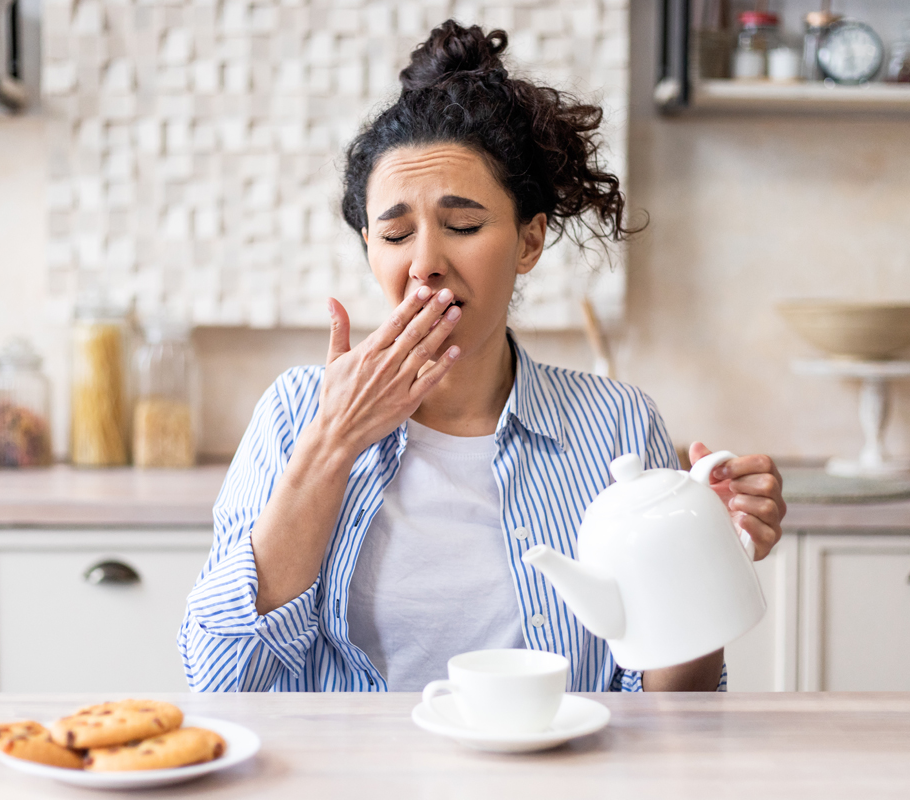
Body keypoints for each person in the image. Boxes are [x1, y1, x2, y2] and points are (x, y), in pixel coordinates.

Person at [179, 20, 786, 694]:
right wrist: (333, 441)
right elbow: (223, 680)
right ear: (369, 248)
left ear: (530, 241)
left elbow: (673, 715)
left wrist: (698, 561)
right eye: (396, 233)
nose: (426, 265)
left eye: (463, 226)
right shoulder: (296, 413)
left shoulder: (615, 423)